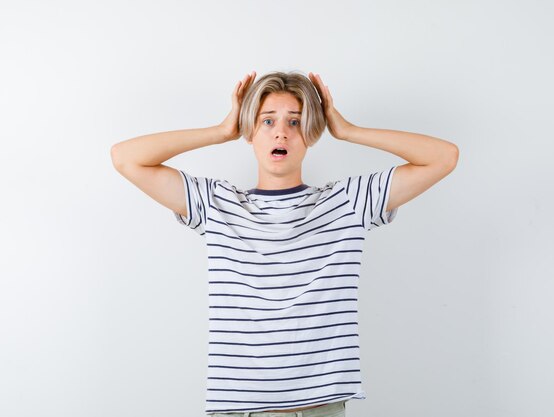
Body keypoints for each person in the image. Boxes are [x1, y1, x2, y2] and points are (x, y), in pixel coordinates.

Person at [110, 70, 459, 416]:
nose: (281, 131)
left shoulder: (348, 202)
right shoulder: (216, 204)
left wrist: (348, 131)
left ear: (310, 133)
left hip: (320, 410)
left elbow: (444, 157)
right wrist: (220, 131)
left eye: (295, 122)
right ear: (250, 132)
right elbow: (126, 158)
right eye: (267, 121)